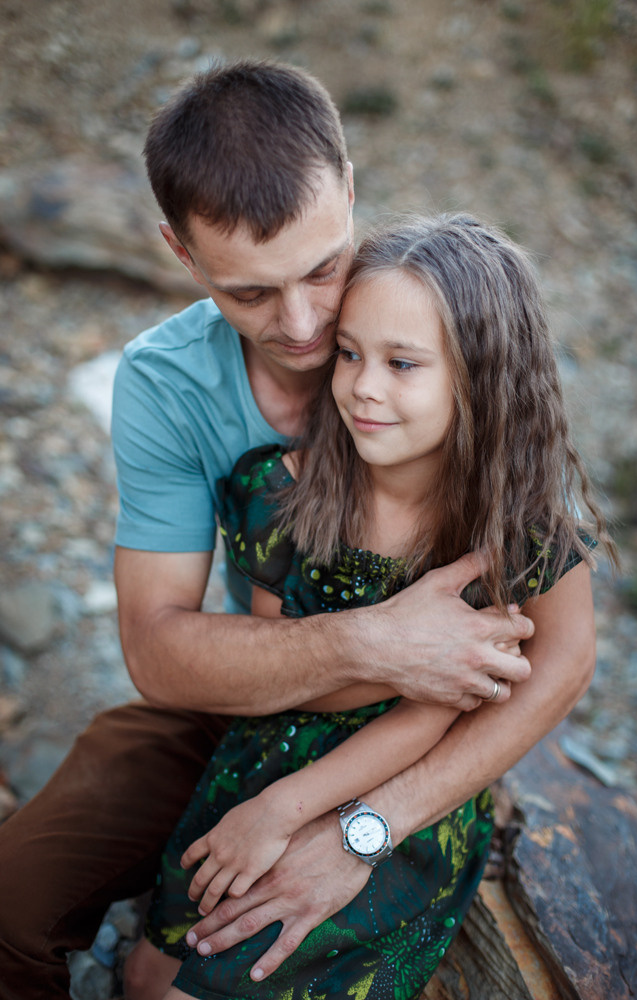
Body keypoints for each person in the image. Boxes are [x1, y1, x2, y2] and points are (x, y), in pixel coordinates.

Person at [0, 60, 576, 1000]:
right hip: (247, 695)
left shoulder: (438, 329)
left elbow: (548, 647)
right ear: (181, 256)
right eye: (250, 294)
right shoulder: (167, 384)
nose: (306, 326)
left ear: (348, 193)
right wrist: (376, 642)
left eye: (321, 268)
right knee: (17, 902)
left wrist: (360, 824)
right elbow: (158, 650)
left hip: (405, 730)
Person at [124, 213, 614, 1000]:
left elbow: (455, 704)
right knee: (148, 974)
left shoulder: (502, 532)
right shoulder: (280, 492)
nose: (362, 387)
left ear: (480, 375)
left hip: (403, 788)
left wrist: (297, 809)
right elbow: (275, 667)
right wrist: (391, 661)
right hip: (261, 757)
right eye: (349, 354)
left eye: (402, 363)